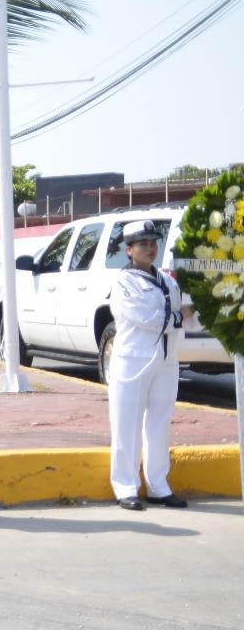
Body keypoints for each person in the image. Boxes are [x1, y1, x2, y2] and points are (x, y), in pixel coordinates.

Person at [108, 219, 192, 511]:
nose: (150, 248)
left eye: (153, 243)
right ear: (129, 250)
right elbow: (149, 319)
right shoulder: (123, 282)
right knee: (126, 425)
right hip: (133, 360)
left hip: (166, 361)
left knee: (159, 424)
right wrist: (181, 317)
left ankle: (158, 485)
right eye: (142, 244)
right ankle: (125, 486)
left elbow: (177, 311)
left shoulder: (167, 280)